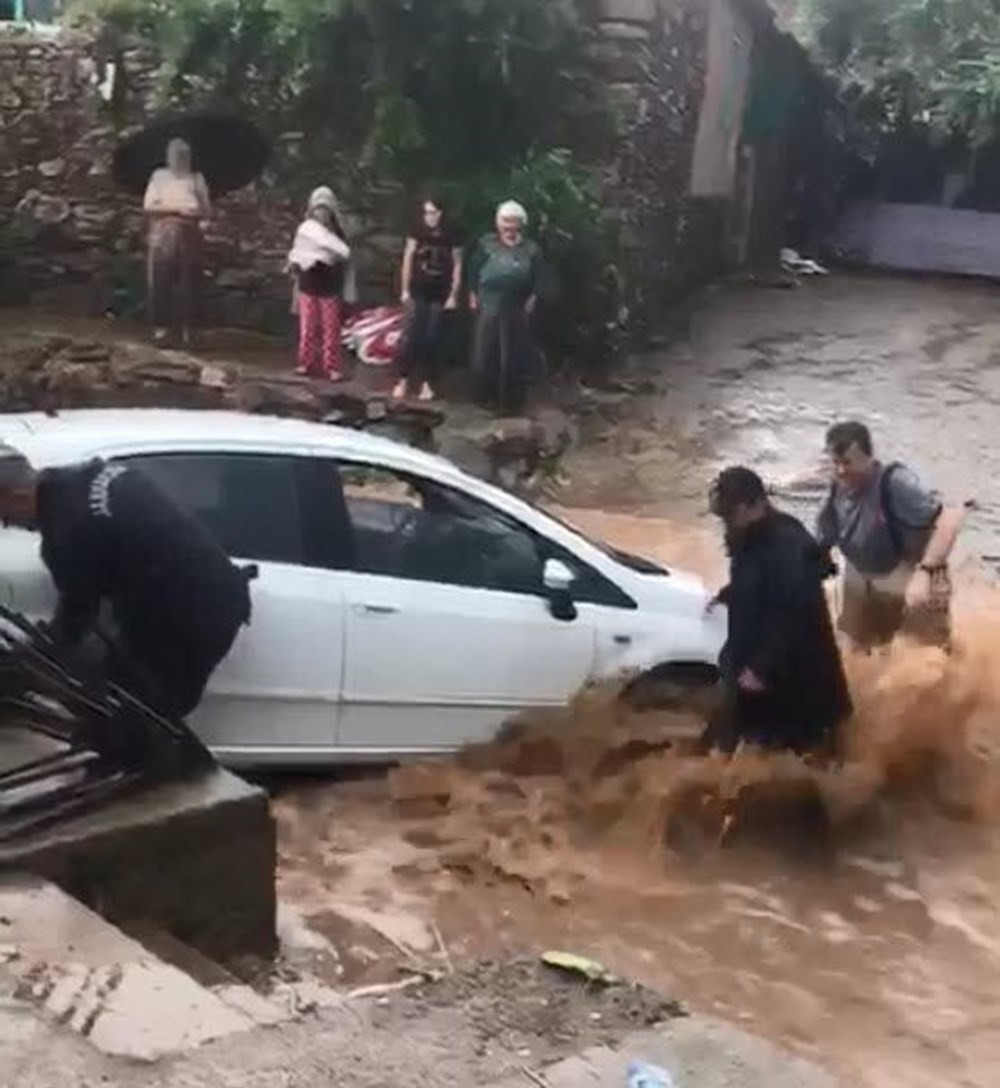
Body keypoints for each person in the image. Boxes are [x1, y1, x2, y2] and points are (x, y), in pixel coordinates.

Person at [0, 457, 254, 720]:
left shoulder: (69, 531)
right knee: (122, 704)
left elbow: (77, 614)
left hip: (194, 615)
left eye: (3, 513)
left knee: (140, 721)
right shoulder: (85, 476)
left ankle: (167, 758)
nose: (6, 523)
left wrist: (33, 657)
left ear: (18, 493)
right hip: (202, 597)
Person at [705, 466, 851, 756]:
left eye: (731, 515)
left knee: (800, 755)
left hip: (794, 677)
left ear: (756, 504)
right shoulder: (751, 537)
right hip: (762, 667)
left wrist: (762, 667)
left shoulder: (786, 545)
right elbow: (758, 582)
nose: (727, 523)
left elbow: (792, 614)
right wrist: (730, 594)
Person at [815, 421, 965, 650]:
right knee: (853, 654)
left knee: (925, 661)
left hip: (911, 575)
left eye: (848, 463)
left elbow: (949, 519)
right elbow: (823, 537)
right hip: (862, 576)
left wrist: (926, 572)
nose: (842, 471)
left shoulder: (897, 483)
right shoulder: (835, 483)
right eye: (836, 463)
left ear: (869, 458)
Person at [468, 200, 543, 414]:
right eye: (506, 222)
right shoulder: (486, 244)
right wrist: (473, 295)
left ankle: (510, 403)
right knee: (486, 352)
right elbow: (473, 271)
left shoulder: (531, 249)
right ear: (499, 224)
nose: (510, 227)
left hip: (516, 304)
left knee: (512, 355)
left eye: (514, 222)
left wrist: (533, 299)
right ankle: (484, 399)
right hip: (489, 301)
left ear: (522, 224)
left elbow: (538, 278)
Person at [393, 196, 463, 402]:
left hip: (440, 292)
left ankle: (427, 382)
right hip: (418, 289)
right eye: (426, 213)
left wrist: (453, 294)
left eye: (433, 212)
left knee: (433, 337)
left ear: (441, 213)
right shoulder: (417, 229)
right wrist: (404, 289)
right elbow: (408, 258)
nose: (429, 217)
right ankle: (403, 379)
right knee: (411, 335)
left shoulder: (452, 233)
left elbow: (458, 264)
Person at [143, 138, 212, 345]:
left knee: (190, 281)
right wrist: (175, 210)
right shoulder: (159, 176)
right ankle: (162, 328)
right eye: (176, 154)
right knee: (161, 278)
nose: (180, 158)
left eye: (184, 154)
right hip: (165, 230)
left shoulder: (196, 178)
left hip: (190, 231)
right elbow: (149, 207)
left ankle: (189, 329)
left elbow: (206, 208)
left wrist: (201, 216)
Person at [287, 186, 354, 380]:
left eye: (325, 209)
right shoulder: (307, 230)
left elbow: (342, 256)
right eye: (318, 209)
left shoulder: (337, 235)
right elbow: (298, 253)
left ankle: (331, 366)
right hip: (308, 285)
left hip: (330, 287)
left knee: (330, 329)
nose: (322, 213)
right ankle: (305, 363)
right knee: (307, 328)